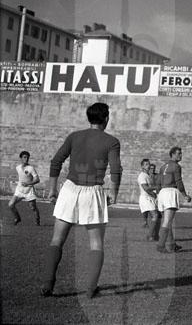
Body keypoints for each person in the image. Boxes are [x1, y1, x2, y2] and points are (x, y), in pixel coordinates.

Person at [41, 102, 122, 298]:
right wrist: (114, 192)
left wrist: (52, 189)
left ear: (89, 118)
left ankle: (48, 284)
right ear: (106, 118)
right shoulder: (111, 141)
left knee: (57, 240)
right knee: (96, 243)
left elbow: (56, 161)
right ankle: (91, 289)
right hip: (92, 192)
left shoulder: (74, 136)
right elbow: (116, 169)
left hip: (69, 190)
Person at [156, 147, 192, 253]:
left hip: (162, 192)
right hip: (170, 192)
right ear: (172, 154)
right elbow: (179, 181)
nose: (180, 155)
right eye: (178, 153)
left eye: (181, 153)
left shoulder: (163, 166)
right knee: (167, 221)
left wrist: (158, 195)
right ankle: (160, 246)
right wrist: (185, 195)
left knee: (167, 221)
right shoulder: (176, 166)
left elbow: (158, 182)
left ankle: (171, 244)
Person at [9, 151, 41, 225]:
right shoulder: (17, 168)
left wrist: (28, 183)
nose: (26, 159)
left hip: (29, 191)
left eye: (27, 157)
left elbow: (37, 180)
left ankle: (37, 219)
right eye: (24, 157)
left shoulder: (31, 168)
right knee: (10, 204)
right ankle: (17, 218)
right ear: (21, 158)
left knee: (33, 207)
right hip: (19, 190)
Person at [138, 158, 160, 241]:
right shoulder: (142, 176)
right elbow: (146, 188)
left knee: (158, 216)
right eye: (146, 164)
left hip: (150, 197)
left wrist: (154, 194)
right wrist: (156, 188)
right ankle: (150, 236)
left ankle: (155, 236)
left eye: (149, 164)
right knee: (155, 216)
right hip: (145, 198)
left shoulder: (148, 175)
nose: (148, 166)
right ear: (142, 166)